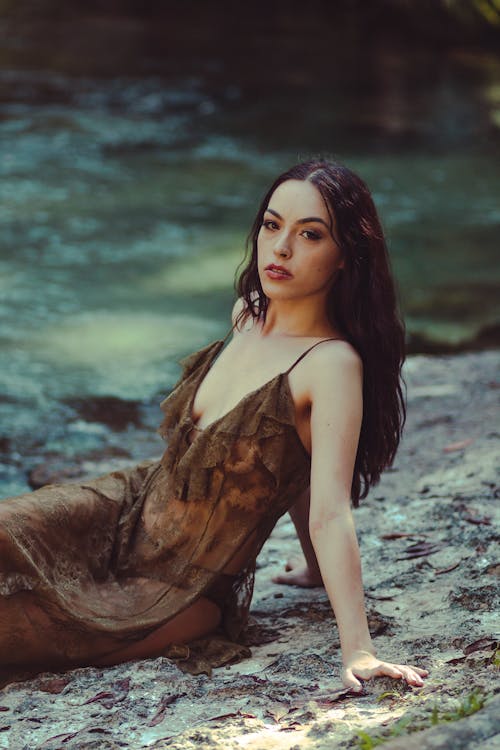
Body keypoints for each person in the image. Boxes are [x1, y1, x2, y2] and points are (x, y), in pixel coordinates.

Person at [0, 159, 427, 693]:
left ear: (346, 257)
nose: (281, 249)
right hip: (124, 507)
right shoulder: (246, 314)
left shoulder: (331, 365)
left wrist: (358, 648)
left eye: (310, 235)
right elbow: (295, 460)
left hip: (176, 588)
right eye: (272, 226)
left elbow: (330, 508)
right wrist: (315, 571)